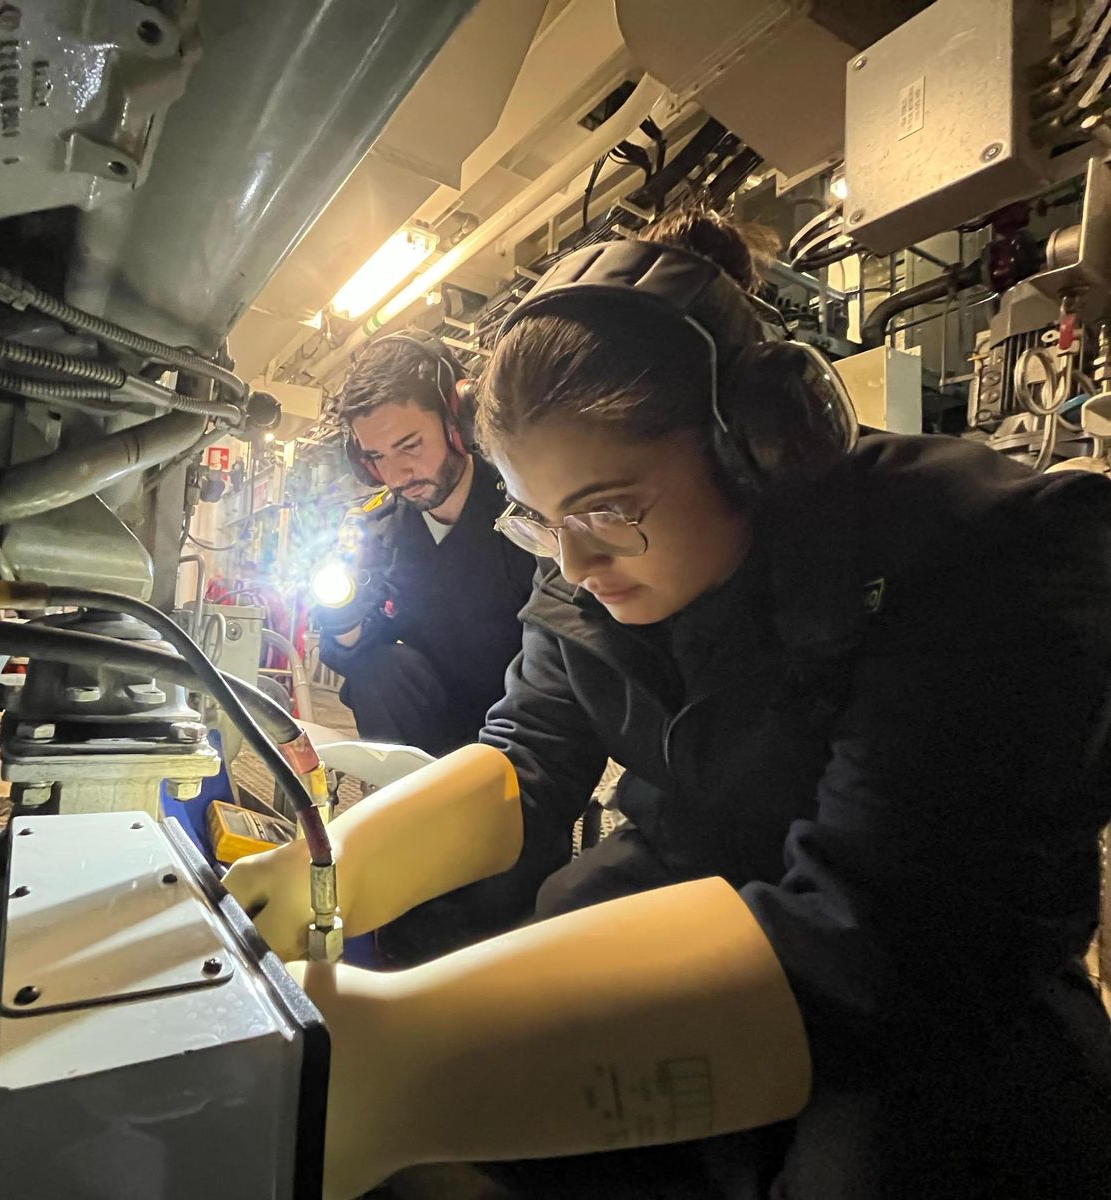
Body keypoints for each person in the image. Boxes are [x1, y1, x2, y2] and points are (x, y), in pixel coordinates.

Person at [227, 211, 1111, 1199]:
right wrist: (315, 882)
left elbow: (877, 935)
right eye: (540, 517)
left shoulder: (970, 556)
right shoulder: (583, 579)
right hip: (721, 915)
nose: (574, 558)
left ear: (758, 447)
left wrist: (402, 1056)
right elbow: (522, 758)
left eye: (608, 508)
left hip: (931, 1018)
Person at [313, 331, 534, 757]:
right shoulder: (377, 534)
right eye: (376, 457)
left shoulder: (527, 514)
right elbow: (347, 655)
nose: (397, 475)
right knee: (377, 669)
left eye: (409, 445)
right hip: (424, 745)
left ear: (458, 425)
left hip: (518, 735)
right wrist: (345, 615)